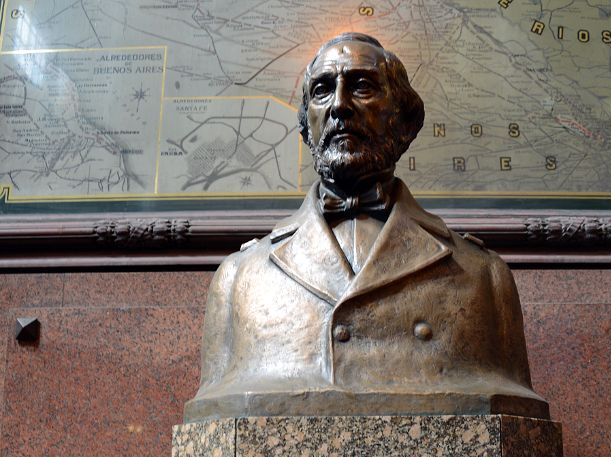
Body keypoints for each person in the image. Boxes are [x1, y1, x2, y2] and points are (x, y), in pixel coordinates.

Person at [185, 33, 547, 420]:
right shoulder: (240, 278)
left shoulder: (483, 278)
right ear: (306, 127)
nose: (340, 105)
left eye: (361, 87)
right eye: (322, 91)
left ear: (404, 121)